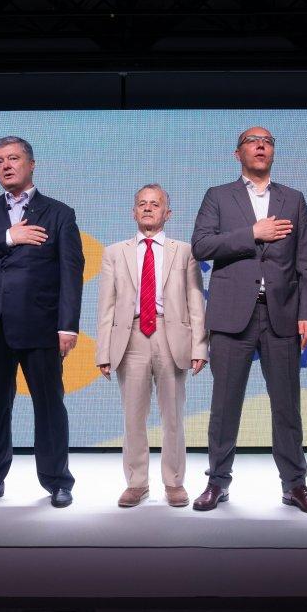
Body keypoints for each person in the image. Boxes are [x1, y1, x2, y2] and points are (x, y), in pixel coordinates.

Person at [191, 126, 307, 515]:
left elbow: (305, 262)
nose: (261, 145)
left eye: (267, 141)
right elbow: (202, 245)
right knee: (224, 405)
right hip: (232, 315)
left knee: (287, 407)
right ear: (238, 154)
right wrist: (253, 232)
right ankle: (217, 482)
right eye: (253, 141)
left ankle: (295, 485)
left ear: (273, 152)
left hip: (282, 314)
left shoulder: (293, 199)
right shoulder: (218, 196)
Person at [0, 136, 84, 509]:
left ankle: (58, 481)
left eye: (13, 158)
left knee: (49, 405)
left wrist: (68, 325)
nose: (6, 166)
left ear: (31, 164)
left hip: (40, 325)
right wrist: (9, 237)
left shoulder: (59, 213)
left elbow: (71, 273)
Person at [96, 184, 208, 507]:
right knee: (133, 416)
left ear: (167, 213)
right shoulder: (114, 253)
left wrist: (199, 346)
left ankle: (174, 482)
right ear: (133, 212)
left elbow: (195, 301)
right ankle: (137, 483)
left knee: (173, 415)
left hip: (171, 335)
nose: (148, 208)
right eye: (142, 204)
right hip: (130, 336)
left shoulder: (184, 251)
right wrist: (103, 351)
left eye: (155, 204)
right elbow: (106, 306)